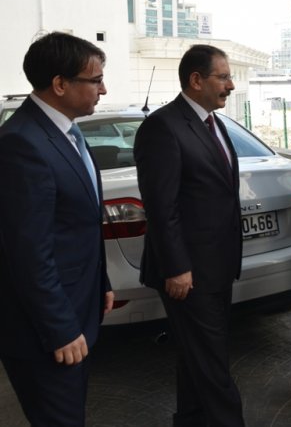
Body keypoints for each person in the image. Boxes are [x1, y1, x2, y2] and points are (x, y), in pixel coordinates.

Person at [0, 32, 114, 425]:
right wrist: (60, 328)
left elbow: (78, 225)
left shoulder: (67, 132)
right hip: (43, 331)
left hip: (77, 306)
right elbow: (27, 252)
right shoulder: (21, 144)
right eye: (95, 80)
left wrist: (101, 283)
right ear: (60, 84)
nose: (103, 89)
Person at [134, 44, 245, 426]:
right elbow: (161, 207)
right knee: (212, 362)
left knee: (197, 355)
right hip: (188, 273)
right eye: (224, 77)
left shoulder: (214, 123)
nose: (231, 85)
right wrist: (177, 267)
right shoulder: (162, 127)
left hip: (217, 266)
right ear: (196, 80)